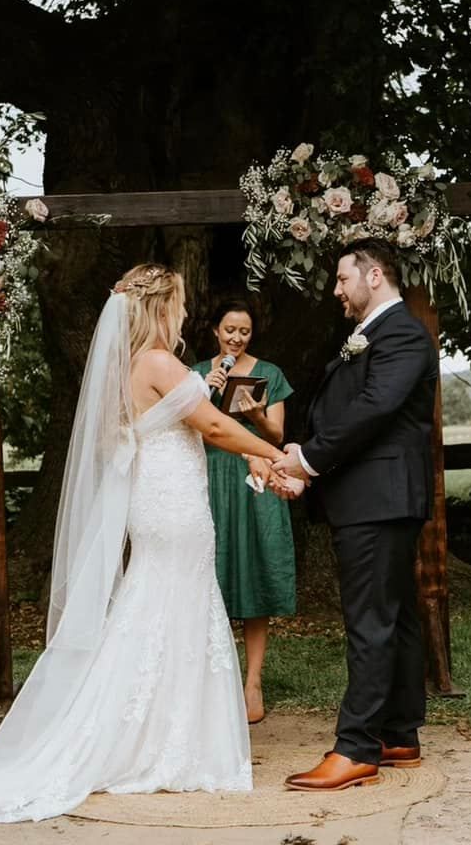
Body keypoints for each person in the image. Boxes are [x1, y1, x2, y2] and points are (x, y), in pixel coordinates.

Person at [0, 264, 296, 822]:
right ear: (159, 307)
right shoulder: (158, 362)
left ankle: (167, 736)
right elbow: (210, 426)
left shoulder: (135, 364)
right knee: (171, 601)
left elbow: (200, 429)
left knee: (166, 603)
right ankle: (163, 741)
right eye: (180, 303)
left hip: (169, 498)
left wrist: (259, 457)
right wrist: (277, 455)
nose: (185, 313)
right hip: (170, 504)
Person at [272, 239, 436, 791]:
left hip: (380, 498)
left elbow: (375, 409)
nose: (336, 291)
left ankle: (357, 747)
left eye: (343, 279)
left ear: (373, 276)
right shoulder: (370, 336)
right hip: (371, 495)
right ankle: (398, 733)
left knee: (369, 621)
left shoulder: (404, 333)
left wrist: (308, 460)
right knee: (396, 616)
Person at [193, 300, 297, 725]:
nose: (236, 337)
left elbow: (277, 434)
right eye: (230, 330)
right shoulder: (197, 372)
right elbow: (192, 427)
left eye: (244, 331)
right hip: (210, 474)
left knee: (255, 572)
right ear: (216, 330)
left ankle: (252, 682)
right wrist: (208, 388)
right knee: (208, 576)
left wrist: (255, 413)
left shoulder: (269, 374)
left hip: (255, 472)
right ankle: (209, 682)